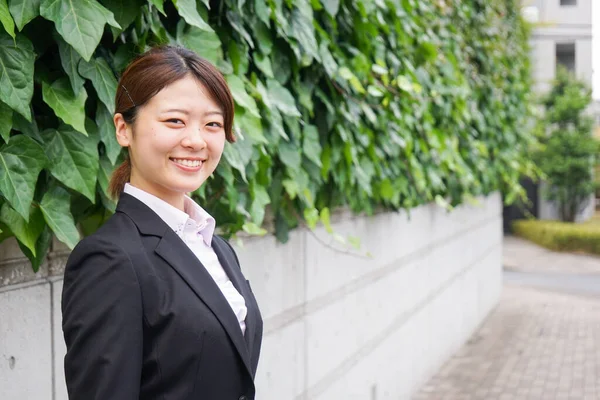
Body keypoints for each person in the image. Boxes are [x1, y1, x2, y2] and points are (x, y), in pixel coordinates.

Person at [61, 46, 263, 400]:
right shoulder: (109, 260)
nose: (196, 140)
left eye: (212, 124)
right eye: (175, 121)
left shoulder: (214, 245)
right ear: (124, 129)